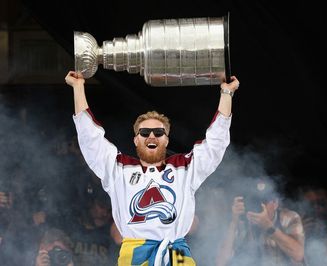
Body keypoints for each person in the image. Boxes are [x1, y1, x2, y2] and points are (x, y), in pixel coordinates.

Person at [65, 70, 239, 265]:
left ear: (166, 140)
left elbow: (215, 144)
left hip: (177, 254)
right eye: (145, 132)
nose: (152, 136)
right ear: (136, 140)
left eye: (158, 132)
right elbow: (91, 140)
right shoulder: (119, 169)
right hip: (135, 255)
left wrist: (227, 93)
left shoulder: (185, 167)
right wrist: (78, 88)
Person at [216, 179, 305, 266]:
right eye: (255, 200)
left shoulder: (289, 217)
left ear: (275, 203)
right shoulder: (244, 222)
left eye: (264, 201)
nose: (259, 206)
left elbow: (298, 255)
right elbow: (221, 262)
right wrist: (233, 222)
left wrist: (269, 227)